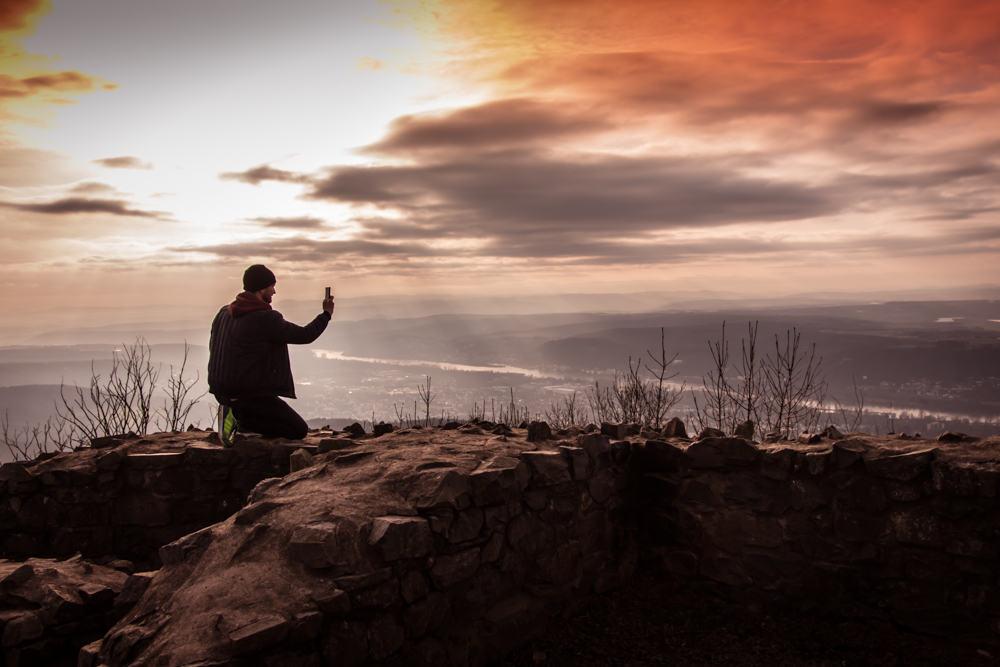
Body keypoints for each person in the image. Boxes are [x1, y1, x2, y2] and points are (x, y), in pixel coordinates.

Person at [208, 264, 334, 445]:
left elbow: (215, 346)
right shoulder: (266, 319)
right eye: (271, 286)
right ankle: (238, 418)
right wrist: (326, 314)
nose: (274, 291)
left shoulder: (223, 313)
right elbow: (305, 335)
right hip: (249, 395)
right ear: (261, 288)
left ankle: (236, 414)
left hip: (222, 391)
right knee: (297, 429)